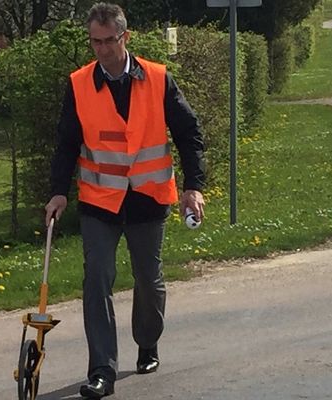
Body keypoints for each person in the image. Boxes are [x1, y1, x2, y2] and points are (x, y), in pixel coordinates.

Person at [44, 2, 206, 398]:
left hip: (148, 199)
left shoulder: (158, 78)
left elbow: (189, 132)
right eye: (94, 42)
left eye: (108, 41)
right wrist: (58, 192)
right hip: (100, 202)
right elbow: (67, 143)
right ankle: (102, 370)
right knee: (96, 279)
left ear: (125, 37)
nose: (101, 50)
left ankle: (147, 340)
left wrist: (193, 185)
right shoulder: (80, 83)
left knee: (148, 282)